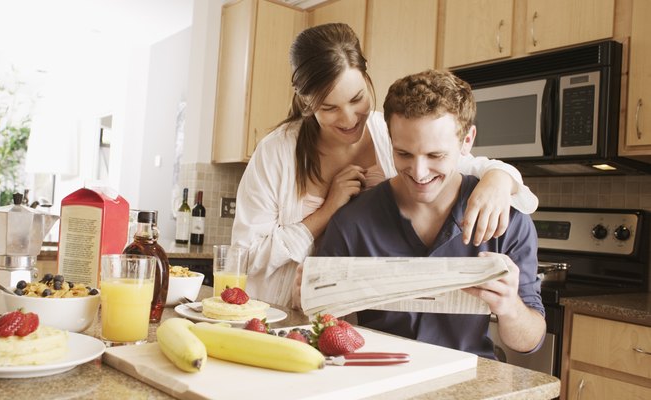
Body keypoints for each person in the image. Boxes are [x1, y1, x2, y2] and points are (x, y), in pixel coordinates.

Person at [231, 23, 538, 308]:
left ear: (367, 78)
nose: (349, 118)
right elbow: (244, 261)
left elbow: (459, 161)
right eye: (330, 108)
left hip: (353, 316)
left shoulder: (387, 131)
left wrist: (499, 179)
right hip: (279, 312)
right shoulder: (276, 152)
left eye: (357, 99)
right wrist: (327, 212)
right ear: (307, 103)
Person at [314, 69, 545, 358]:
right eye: (404, 154)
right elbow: (323, 323)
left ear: (467, 141)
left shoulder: (509, 219)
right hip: (383, 379)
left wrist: (510, 307)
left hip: (470, 381)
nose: (419, 173)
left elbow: (529, 341)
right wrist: (315, 294)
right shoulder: (353, 223)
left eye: (436, 156)